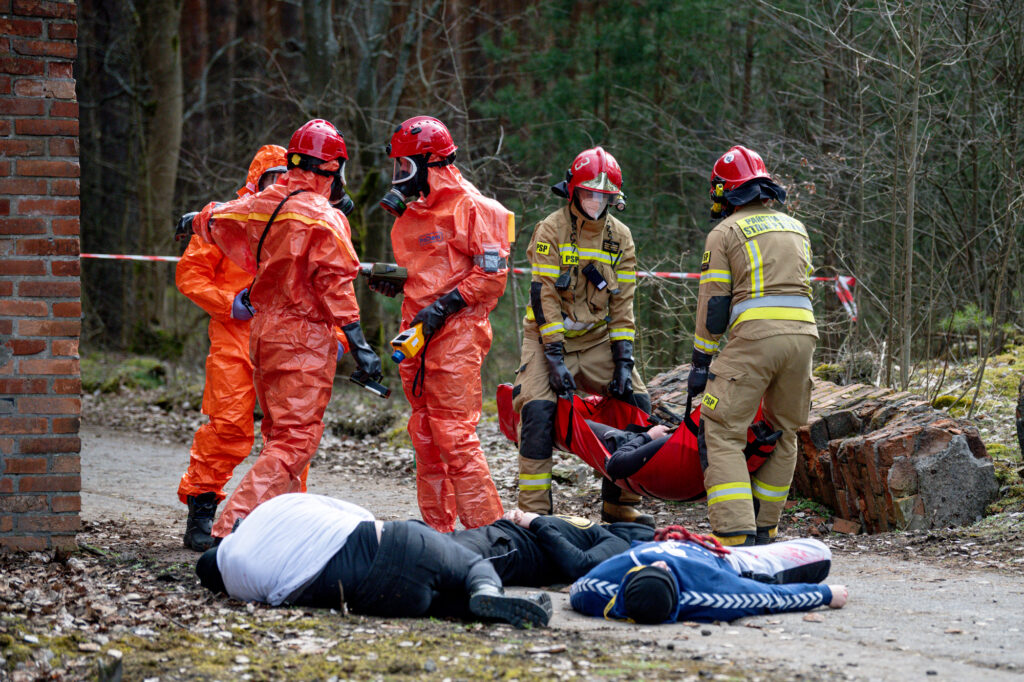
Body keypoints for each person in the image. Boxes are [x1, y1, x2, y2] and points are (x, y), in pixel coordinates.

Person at [184, 119, 383, 539]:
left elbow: (223, 215)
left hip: (265, 333)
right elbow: (334, 285)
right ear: (330, 169)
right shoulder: (321, 217)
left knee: (281, 436)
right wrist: (360, 342)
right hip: (298, 337)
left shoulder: (266, 206)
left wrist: (198, 219)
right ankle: (230, 527)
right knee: (293, 440)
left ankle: (279, 527)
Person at [370, 116, 510, 532]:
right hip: (417, 334)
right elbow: (425, 273)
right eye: (397, 168)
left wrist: (442, 307)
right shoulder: (410, 216)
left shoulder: (473, 207)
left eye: (405, 167)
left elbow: (492, 276)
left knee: (454, 435)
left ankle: (489, 535)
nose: (400, 177)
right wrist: (400, 287)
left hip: (458, 331)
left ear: (429, 163)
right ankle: (438, 532)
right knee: (425, 435)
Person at [686, 145, 817, 547]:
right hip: (804, 337)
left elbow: (715, 303)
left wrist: (701, 359)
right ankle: (766, 527)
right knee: (785, 430)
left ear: (724, 192)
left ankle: (734, 531)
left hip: (756, 339)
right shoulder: (796, 226)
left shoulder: (725, 232)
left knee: (722, 429)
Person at [512, 146, 651, 523]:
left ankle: (620, 506)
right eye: (589, 192)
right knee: (537, 410)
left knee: (638, 404)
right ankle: (534, 514)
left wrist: (624, 360)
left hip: (595, 341)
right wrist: (554, 359)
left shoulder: (620, 238)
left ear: (614, 198)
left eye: (603, 195)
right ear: (573, 191)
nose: (595, 201)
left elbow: (623, 305)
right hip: (546, 340)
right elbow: (544, 295)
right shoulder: (551, 229)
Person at [195, 494, 553, 629]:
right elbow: (360, 514)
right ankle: (487, 588)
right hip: (394, 546)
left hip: (371, 597)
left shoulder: (237, 582)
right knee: (472, 566)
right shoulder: (271, 510)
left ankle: (478, 608)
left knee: (443, 602)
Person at [175, 144, 288, 551]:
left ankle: (283, 516)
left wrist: (342, 339)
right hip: (233, 334)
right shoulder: (225, 220)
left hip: (283, 337)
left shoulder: (301, 219)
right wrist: (228, 304)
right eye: (273, 177)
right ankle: (201, 513)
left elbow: (326, 283)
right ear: (257, 181)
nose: (280, 185)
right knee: (228, 425)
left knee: (289, 433)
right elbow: (190, 274)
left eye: (286, 177)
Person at [570, 526, 844, 624]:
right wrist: (826, 595)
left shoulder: (600, 586)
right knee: (820, 552)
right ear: (677, 598)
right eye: (665, 573)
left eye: (653, 566)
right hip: (729, 563)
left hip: (693, 545)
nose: (662, 564)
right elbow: (770, 597)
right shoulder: (710, 594)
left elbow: (577, 588)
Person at [449, 509, 655, 587]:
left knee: (440, 558)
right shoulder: (599, 532)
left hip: (506, 548)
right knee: (429, 543)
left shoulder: (620, 543)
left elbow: (580, 565)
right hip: (495, 535)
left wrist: (537, 523)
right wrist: (517, 516)